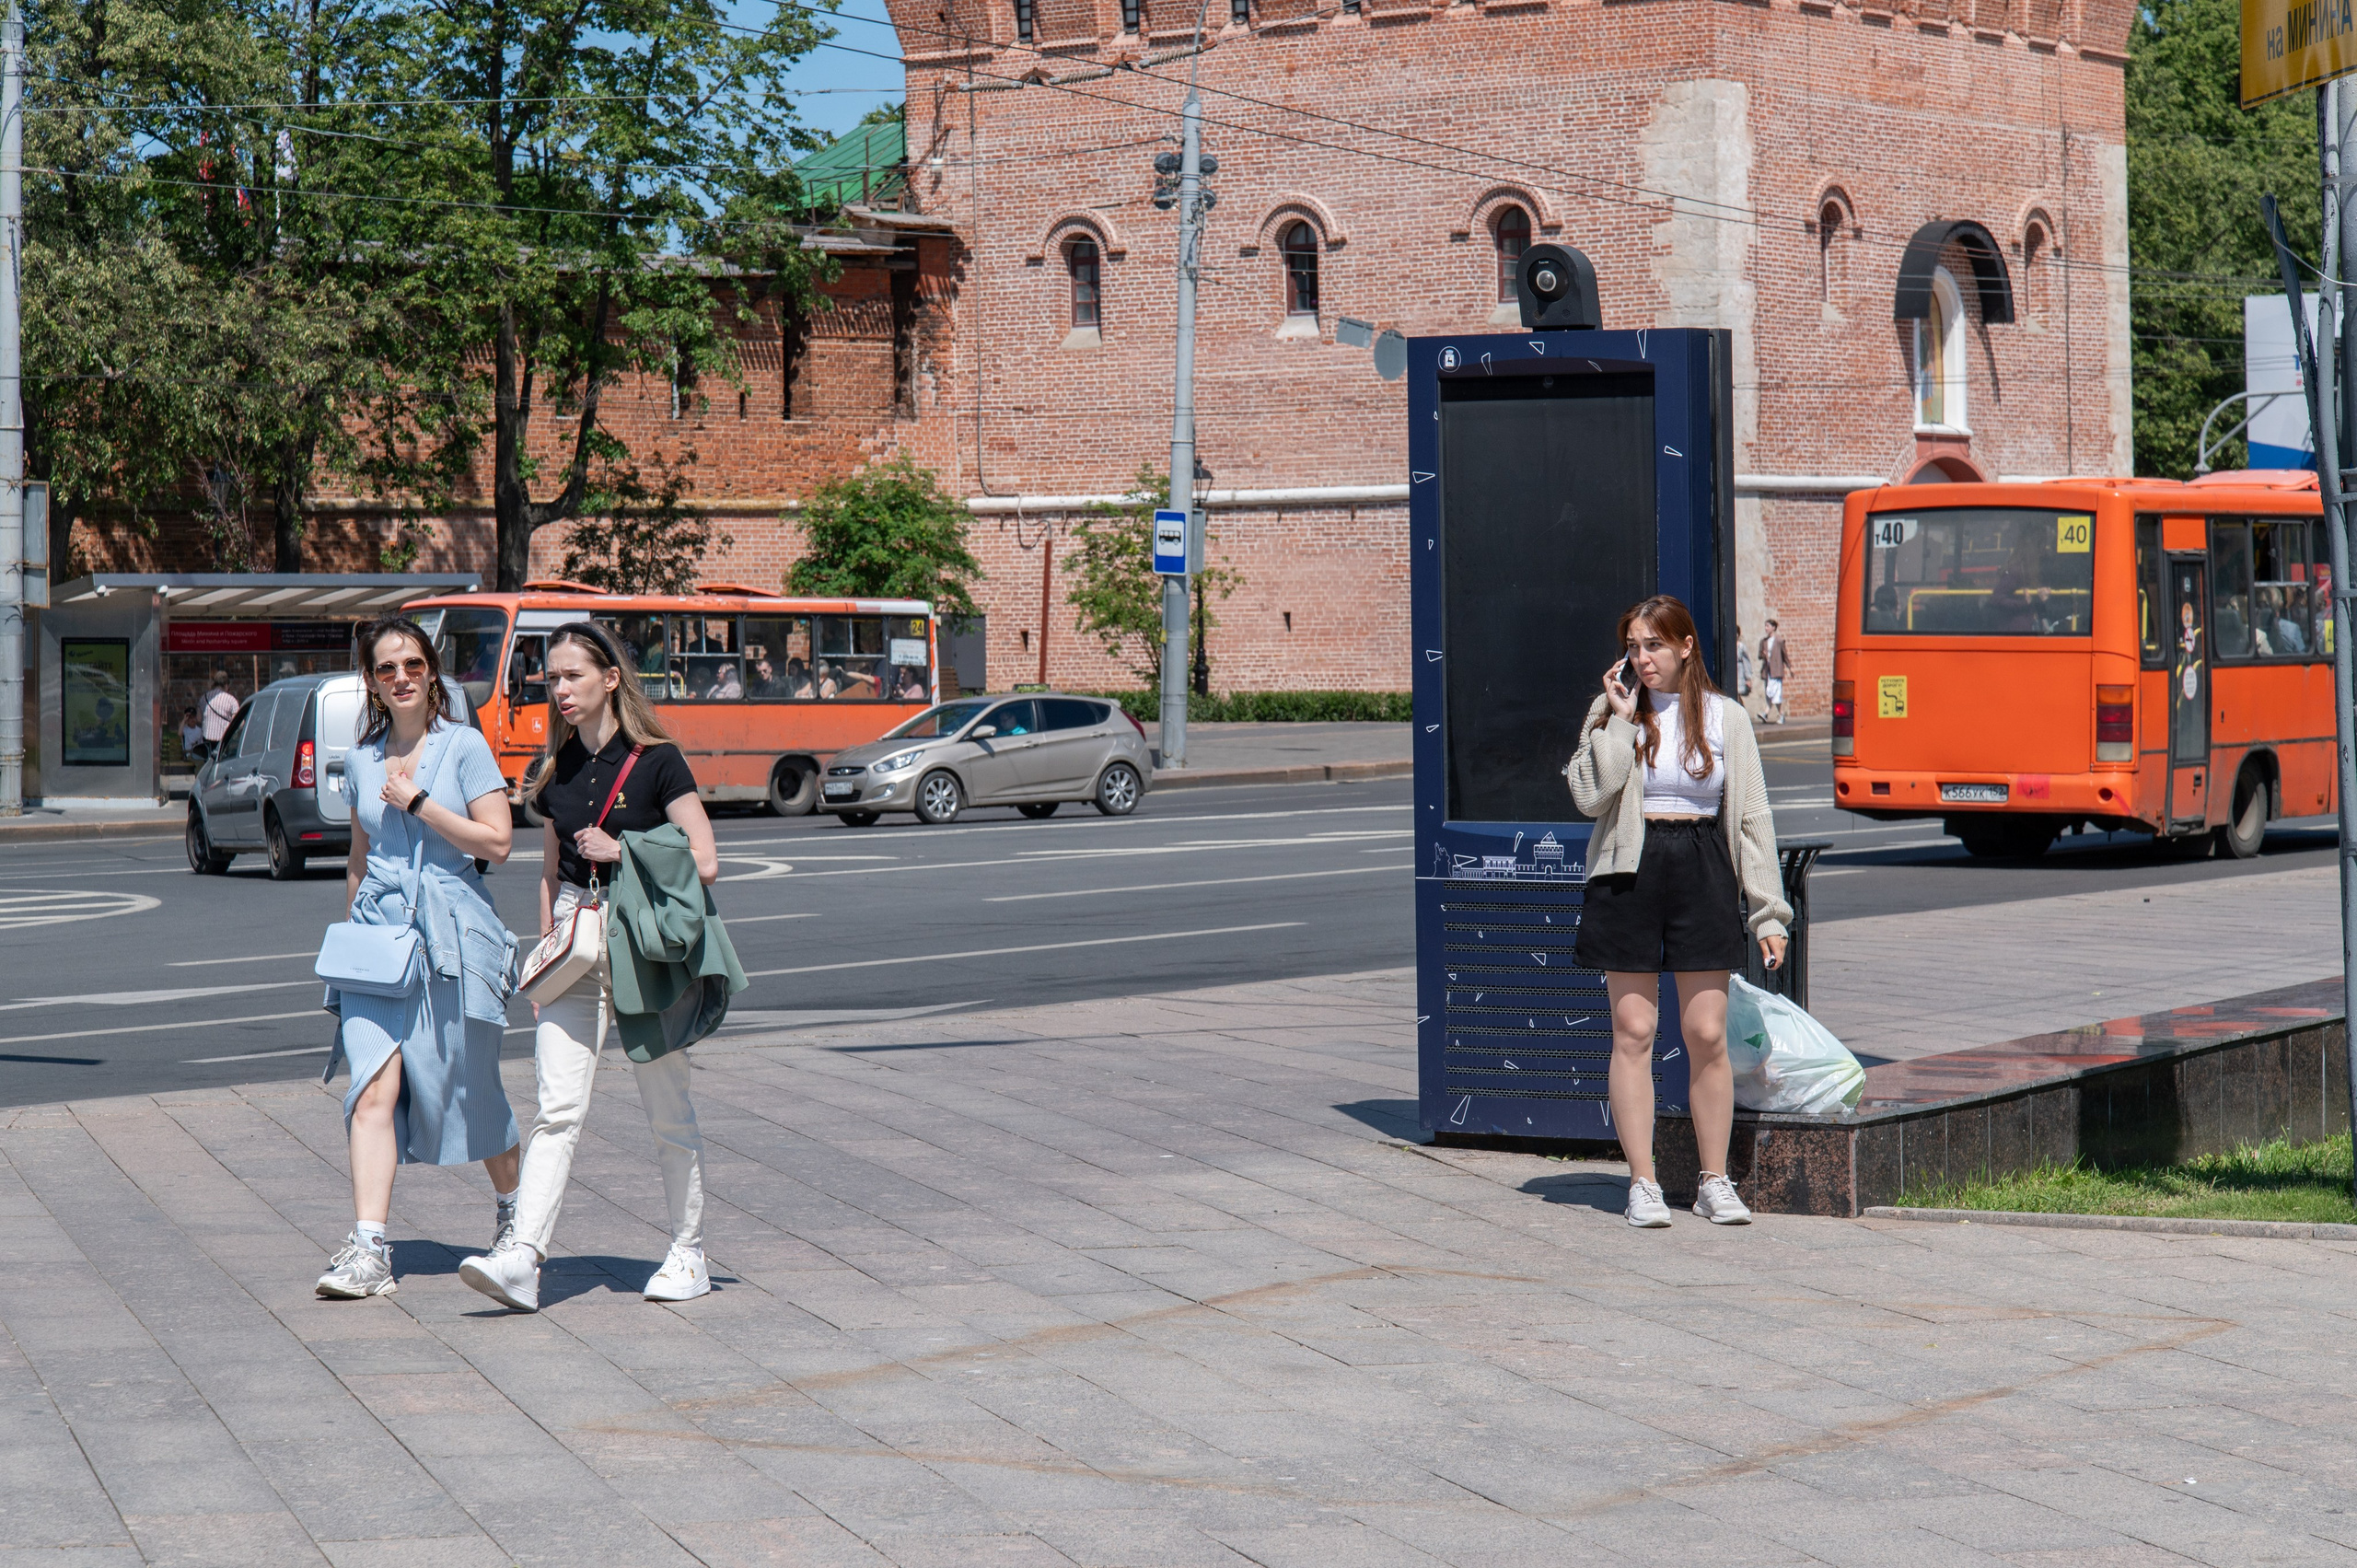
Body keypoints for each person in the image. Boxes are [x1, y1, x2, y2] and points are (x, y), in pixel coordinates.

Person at [459, 621, 724, 1312]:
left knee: (667, 1108)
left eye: (573, 675)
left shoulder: (659, 760)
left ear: (611, 678)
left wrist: (625, 851)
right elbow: (549, 873)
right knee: (556, 1108)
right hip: (575, 947)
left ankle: (687, 1250)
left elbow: (706, 861)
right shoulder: (554, 770)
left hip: (643, 944)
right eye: (553, 677)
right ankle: (523, 1256)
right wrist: (543, 960)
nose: (561, 688)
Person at [1566, 595, 1791, 1230]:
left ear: (1686, 646)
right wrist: (1617, 720)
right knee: (1633, 1032)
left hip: (1700, 868)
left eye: (1654, 646)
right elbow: (1589, 795)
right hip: (1627, 872)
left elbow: (1750, 819)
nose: (1642, 658)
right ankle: (1643, 1182)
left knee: (1707, 1034)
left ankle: (1713, 1179)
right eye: (1633, 646)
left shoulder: (1726, 718)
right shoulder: (1614, 711)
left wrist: (1767, 912)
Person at [314, 616, 520, 1299]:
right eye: (385, 668)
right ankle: (370, 1248)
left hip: (449, 936)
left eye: (411, 664)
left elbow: (497, 843)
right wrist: (352, 948)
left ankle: (516, 1212)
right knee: (371, 1088)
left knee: (468, 1087)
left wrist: (422, 802)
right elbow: (359, 856)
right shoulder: (364, 754)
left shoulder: (463, 746)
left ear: (431, 671)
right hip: (378, 941)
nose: (400, 676)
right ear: (370, 682)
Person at [1757, 621, 1791, 725]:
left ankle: (1770, 713)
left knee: (1775, 693)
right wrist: (1764, 655)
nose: (1766, 628)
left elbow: (1784, 655)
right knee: (1770, 693)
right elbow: (1759, 656)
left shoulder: (1779, 641)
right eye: (1765, 626)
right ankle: (1774, 714)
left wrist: (1790, 667)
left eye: (1768, 626)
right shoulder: (1764, 641)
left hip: (1776, 671)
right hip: (1768, 671)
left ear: (1774, 627)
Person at [201, 671, 240, 754]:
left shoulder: (204, 698)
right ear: (226, 685)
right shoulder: (231, 700)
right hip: (223, 741)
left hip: (207, 739)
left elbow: (198, 718)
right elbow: (238, 722)